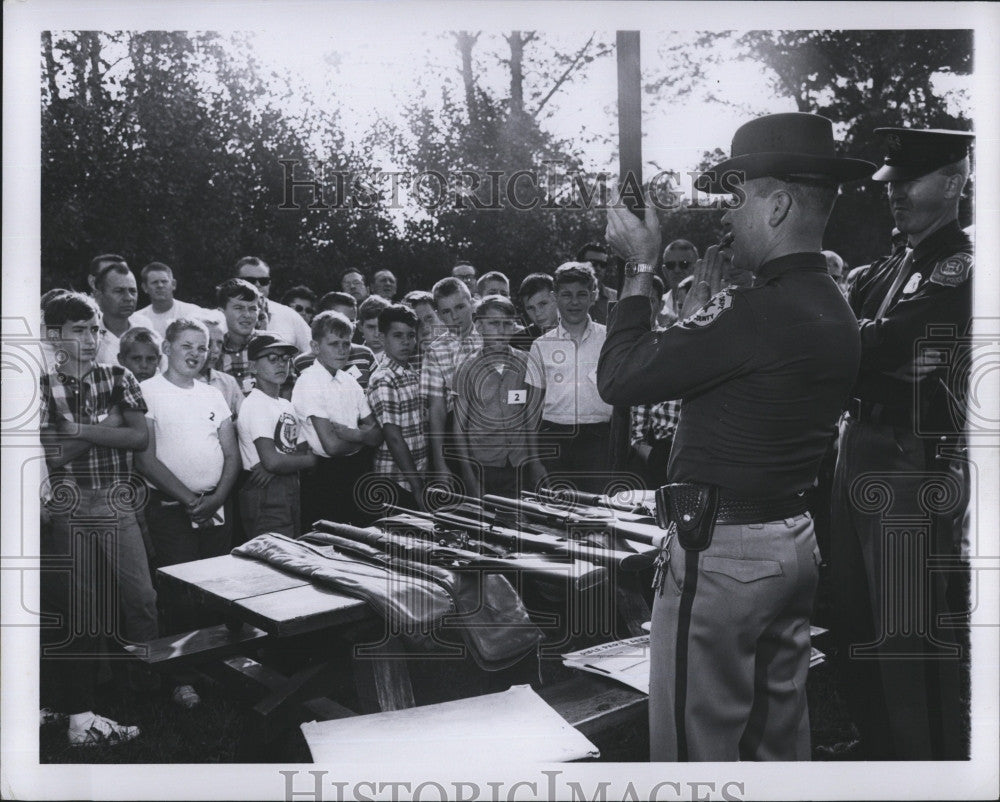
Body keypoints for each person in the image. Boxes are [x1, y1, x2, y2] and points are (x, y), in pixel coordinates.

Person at [598, 112, 870, 761]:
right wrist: (700, 329)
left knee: (697, 748)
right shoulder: (833, 304)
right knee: (777, 739)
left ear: (776, 206)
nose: (725, 216)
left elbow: (620, 375)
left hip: (724, 557)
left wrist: (640, 265)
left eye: (738, 197)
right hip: (791, 542)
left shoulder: (755, 311)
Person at [830, 127, 975, 761]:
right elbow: (838, 338)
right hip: (856, 440)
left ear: (953, 180)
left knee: (907, 628)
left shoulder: (960, 266)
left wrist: (858, 345)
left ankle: (929, 763)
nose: (895, 197)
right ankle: (879, 747)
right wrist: (864, 349)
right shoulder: (891, 263)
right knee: (853, 614)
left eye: (909, 183)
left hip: (911, 457)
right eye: (890, 185)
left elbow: (899, 342)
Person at [39, 292, 154, 745]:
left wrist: (80, 429)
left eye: (95, 330)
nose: (90, 338)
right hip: (70, 502)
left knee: (141, 597)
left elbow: (139, 438)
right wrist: (108, 428)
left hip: (115, 499)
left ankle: (147, 683)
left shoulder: (118, 374)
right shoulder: (44, 385)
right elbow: (54, 454)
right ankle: (90, 700)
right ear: (54, 336)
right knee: (82, 605)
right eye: (78, 330)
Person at [136, 317, 240, 709]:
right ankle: (181, 677)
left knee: (216, 588)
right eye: (187, 345)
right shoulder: (147, 392)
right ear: (167, 347)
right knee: (179, 592)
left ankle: (216, 664)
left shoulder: (213, 394)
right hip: (171, 509)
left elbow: (231, 454)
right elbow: (146, 461)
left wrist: (215, 499)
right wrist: (188, 501)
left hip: (216, 506)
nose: (196, 354)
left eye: (203, 347)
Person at [526, 262, 612, 494]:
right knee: (556, 515)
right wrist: (534, 461)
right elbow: (531, 410)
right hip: (554, 440)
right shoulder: (540, 346)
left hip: (598, 441)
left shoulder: (609, 339)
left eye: (581, 294)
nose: (574, 302)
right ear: (555, 297)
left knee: (598, 514)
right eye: (566, 295)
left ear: (593, 296)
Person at [292, 311, 383, 526]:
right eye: (334, 344)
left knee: (365, 539)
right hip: (325, 476)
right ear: (315, 347)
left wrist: (352, 434)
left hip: (358, 470)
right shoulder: (309, 382)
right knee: (328, 545)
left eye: (346, 343)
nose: (342, 350)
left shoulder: (349, 381)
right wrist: (363, 438)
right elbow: (331, 446)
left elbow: (378, 436)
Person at [453, 296, 545, 497]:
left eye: (507, 324)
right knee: (488, 523)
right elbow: (459, 429)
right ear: (479, 326)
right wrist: (469, 476)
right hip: (485, 466)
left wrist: (535, 462)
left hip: (520, 465)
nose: (501, 330)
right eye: (494, 324)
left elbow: (531, 419)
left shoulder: (526, 362)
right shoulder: (466, 368)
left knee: (521, 521)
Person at [237, 334, 316, 538]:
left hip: (289, 485)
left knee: (292, 543)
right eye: (272, 358)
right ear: (253, 367)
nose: (281, 363)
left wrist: (280, 463)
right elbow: (272, 461)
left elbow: (298, 449)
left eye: (285, 358)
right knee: (273, 552)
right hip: (265, 492)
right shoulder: (255, 403)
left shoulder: (285, 404)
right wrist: (314, 460)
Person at [365, 304, 428, 510]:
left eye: (411, 335)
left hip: (415, 473)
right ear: (382, 339)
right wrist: (417, 485)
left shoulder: (410, 371)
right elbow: (393, 436)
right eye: (398, 336)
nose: (406, 342)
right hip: (395, 480)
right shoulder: (384, 378)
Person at [420, 277, 482, 477]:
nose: (455, 316)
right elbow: (436, 410)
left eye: (460, 307)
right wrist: (439, 463)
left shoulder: (490, 337)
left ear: (471, 304)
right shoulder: (435, 351)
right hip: (457, 434)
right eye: (446, 311)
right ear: (438, 314)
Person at [297, 292, 379, 389]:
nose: (348, 325)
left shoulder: (365, 355)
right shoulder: (301, 363)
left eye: (352, 320)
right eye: (341, 319)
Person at [234, 256, 312, 353]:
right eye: (250, 280)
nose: (258, 285)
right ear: (236, 283)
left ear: (269, 284)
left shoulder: (289, 315)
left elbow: (314, 352)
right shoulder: (224, 316)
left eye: (263, 281)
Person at [131, 262, 209, 338]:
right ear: (145, 288)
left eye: (164, 281)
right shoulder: (137, 320)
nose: (160, 285)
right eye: (154, 282)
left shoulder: (193, 312)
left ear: (173, 284)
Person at [215, 277, 262, 395]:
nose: (247, 314)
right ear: (221, 312)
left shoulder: (269, 343)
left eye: (252, 309)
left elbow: (288, 389)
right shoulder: (214, 350)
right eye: (238, 308)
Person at [92, 259, 140, 364]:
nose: (128, 298)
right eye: (119, 291)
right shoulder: (88, 338)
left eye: (132, 291)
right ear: (99, 296)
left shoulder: (149, 336)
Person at [199, 319, 244, 416]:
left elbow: (245, 417)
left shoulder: (228, 382)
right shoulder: (181, 382)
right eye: (209, 342)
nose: (215, 349)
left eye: (219, 343)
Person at [510, 272, 558, 352]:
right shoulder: (518, 342)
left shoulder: (579, 332)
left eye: (543, 304)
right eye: (530, 308)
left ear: (556, 299)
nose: (537, 313)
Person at [657, 239, 699, 327]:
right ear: (664, 271)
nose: (677, 270)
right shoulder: (655, 307)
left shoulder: (710, 304)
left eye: (684, 264)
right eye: (671, 265)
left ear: (697, 268)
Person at [576, 242, 617, 325]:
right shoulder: (565, 296)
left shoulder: (616, 298)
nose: (598, 268)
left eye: (602, 265)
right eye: (593, 263)